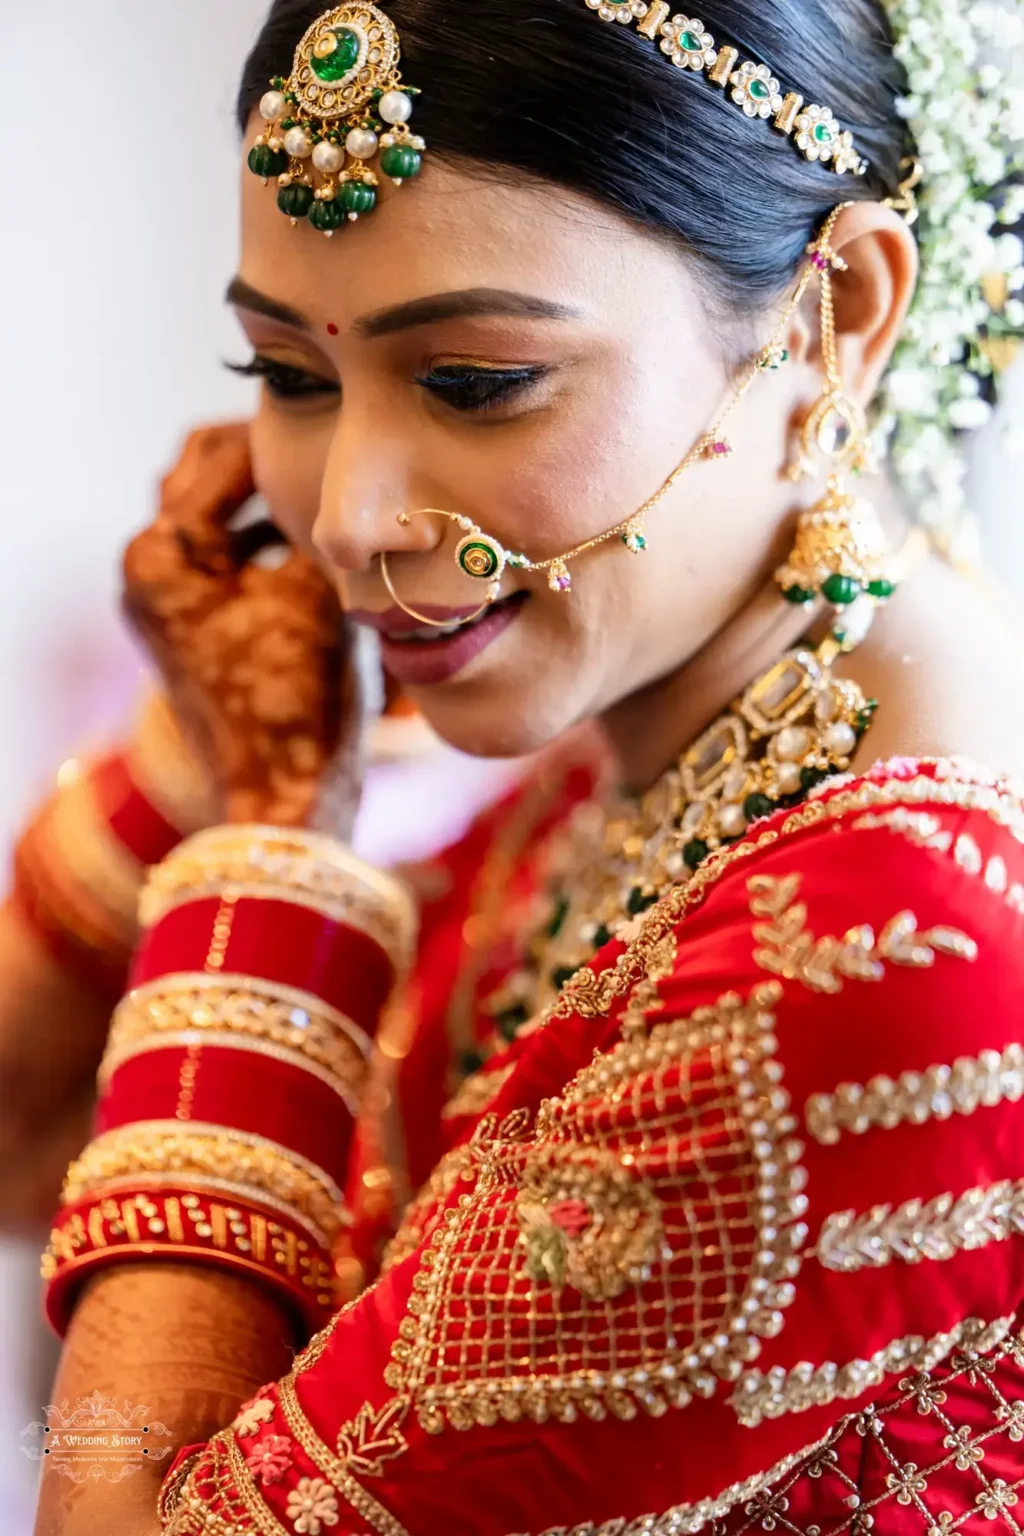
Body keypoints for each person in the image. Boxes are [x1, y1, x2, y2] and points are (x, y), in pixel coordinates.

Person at [32, 0, 1024, 1532]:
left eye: (479, 380)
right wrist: (213, 727)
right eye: (290, 372)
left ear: (833, 318)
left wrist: (281, 829)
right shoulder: (660, 752)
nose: (349, 517)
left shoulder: (887, 941)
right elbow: (21, 1117)